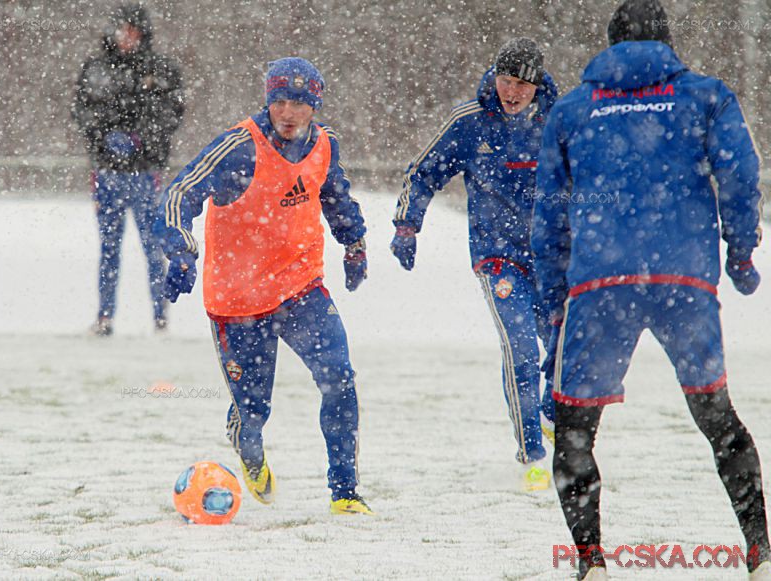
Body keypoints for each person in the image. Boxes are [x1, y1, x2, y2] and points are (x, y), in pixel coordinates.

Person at [531, 1, 770, 579]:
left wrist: (553, 300)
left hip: (600, 283)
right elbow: (740, 174)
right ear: (665, 40)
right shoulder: (706, 96)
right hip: (682, 278)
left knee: (575, 429)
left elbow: (551, 212)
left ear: (611, 42)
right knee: (717, 416)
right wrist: (740, 251)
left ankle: (591, 562)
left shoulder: (572, 109)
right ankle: (759, 550)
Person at [154, 57, 372, 515]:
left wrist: (354, 243)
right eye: (280, 102)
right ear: (268, 101)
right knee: (254, 412)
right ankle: (248, 446)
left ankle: (345, 493)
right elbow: (178, 194)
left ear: (315, 106)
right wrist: (181, 250)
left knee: (339, 378)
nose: (288, 113)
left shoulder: (324, 145)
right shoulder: (238, 147)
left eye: (299, 103)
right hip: (239, 301)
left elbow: (335, 196)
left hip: (300, 287)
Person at [391, 38, 558, 492]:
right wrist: (407, 225)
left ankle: (550, 414)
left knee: (565, 348)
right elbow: (422, 173)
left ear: (537, 85)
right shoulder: (470, 122)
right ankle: (532, 455)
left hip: (554, 258)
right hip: (498, 257)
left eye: (522, 84)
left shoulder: (560, 121)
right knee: (520, 350)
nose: (512, 92)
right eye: (505, 80)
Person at [72, 4, 184, 336]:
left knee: (153, 244)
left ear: (143, 35)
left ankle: (160, 317)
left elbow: (171, 113)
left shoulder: (161, 69)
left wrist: (141, 140)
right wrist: (105, 137)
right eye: (122, 30)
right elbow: (82, 111)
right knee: (109, 247)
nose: (127, 37)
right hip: (107, 173)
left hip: (145, 173)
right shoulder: (95, 69)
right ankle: (104, 316)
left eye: (133, 31)